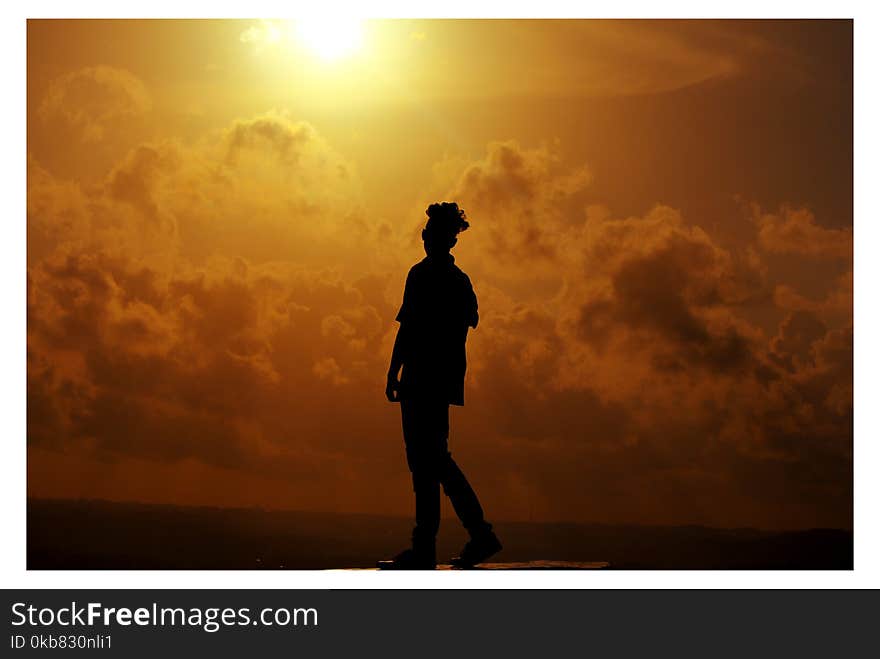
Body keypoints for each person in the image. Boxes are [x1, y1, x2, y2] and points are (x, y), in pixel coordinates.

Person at [378, 202, 502, 570]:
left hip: (424, 379)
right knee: (428, 463)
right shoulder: (457, 281)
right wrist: (397, 370)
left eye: (432, 231)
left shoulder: (427, 277)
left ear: (444, 239)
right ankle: (433, 545)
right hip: (437, 379)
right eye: (427, 231)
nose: (426, 236)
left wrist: (395, 371)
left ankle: (475, 535)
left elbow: (412, 327)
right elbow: (446, 327)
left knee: (431, 462)